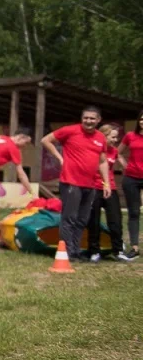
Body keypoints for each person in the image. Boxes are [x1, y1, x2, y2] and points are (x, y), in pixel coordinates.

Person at [41, 105, 112, 263]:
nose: (88, 121)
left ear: (98, 120)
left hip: (91, 184)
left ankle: (75, 250)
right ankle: (67, 252)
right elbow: (45, 140)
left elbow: (102, 162)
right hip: (71, 182)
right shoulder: (70, 130)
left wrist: (106, 183)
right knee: (69, 218)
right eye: (85, 118)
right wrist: (60, 158)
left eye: (92, 118)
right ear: (81, 118)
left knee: (82, 220)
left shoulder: (100, 138)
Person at [87, 123, 133, 262]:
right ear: (103, 136)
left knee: (115, 221)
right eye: (112, 137)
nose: (115, 140)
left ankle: (118, 251)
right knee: (93, 221)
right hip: (93, 188)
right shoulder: (92, 150)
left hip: (110, 188)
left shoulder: (114, 151)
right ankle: (94, 251)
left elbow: (121, 163)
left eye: (116, 137)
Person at [119, 111, 143, 259]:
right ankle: (134, 247)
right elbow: (118, 152)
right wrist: (125, 165)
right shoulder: (130, 136)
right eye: (141, 119)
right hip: (131, 178)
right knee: (133, 212)